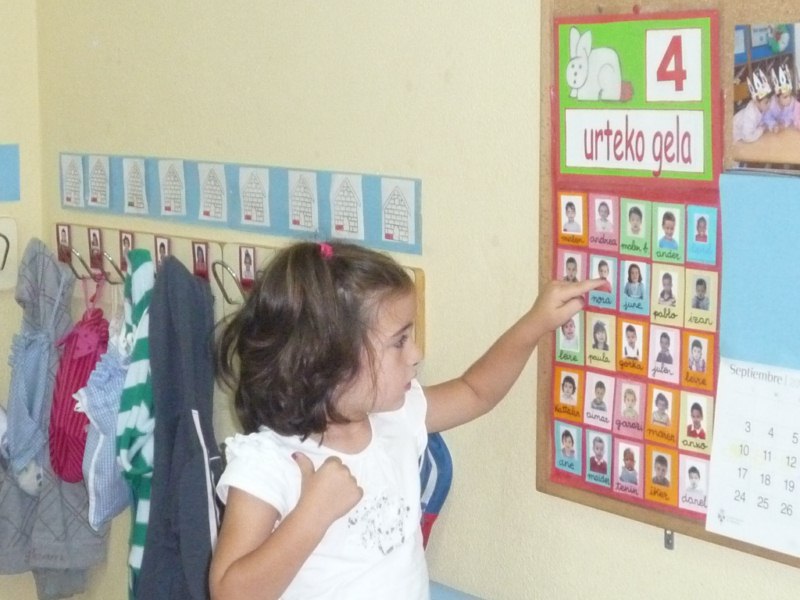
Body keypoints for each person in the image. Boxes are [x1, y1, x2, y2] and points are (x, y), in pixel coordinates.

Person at [209, 240, 600, 599]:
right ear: (327, 358)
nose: (416, 354)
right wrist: (311, 516)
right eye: (399, 342)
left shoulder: (393, 417)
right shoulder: (271, 462)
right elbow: (230, 593)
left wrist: (535, 323)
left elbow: (475, 391)